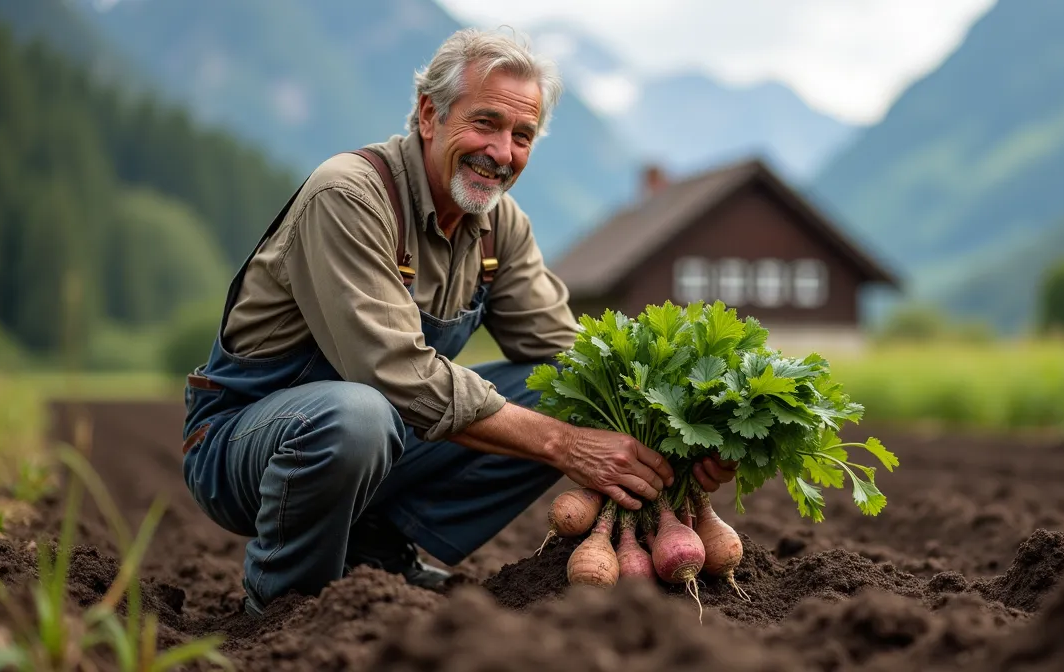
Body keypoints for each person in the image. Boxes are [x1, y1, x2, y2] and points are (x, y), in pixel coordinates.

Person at [178, 28, 737, 616]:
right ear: (429, 115)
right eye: (485, 123)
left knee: (563, 390)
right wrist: (566, 445)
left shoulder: (500, 227)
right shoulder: (350, 196)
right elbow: (391, 372)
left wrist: (678, 435)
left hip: (379, 446)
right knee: (358, 417)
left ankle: (373, 550)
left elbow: (574, 357)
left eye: (521, 136)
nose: (502, 152)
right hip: (247, 445)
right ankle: (286, 607)